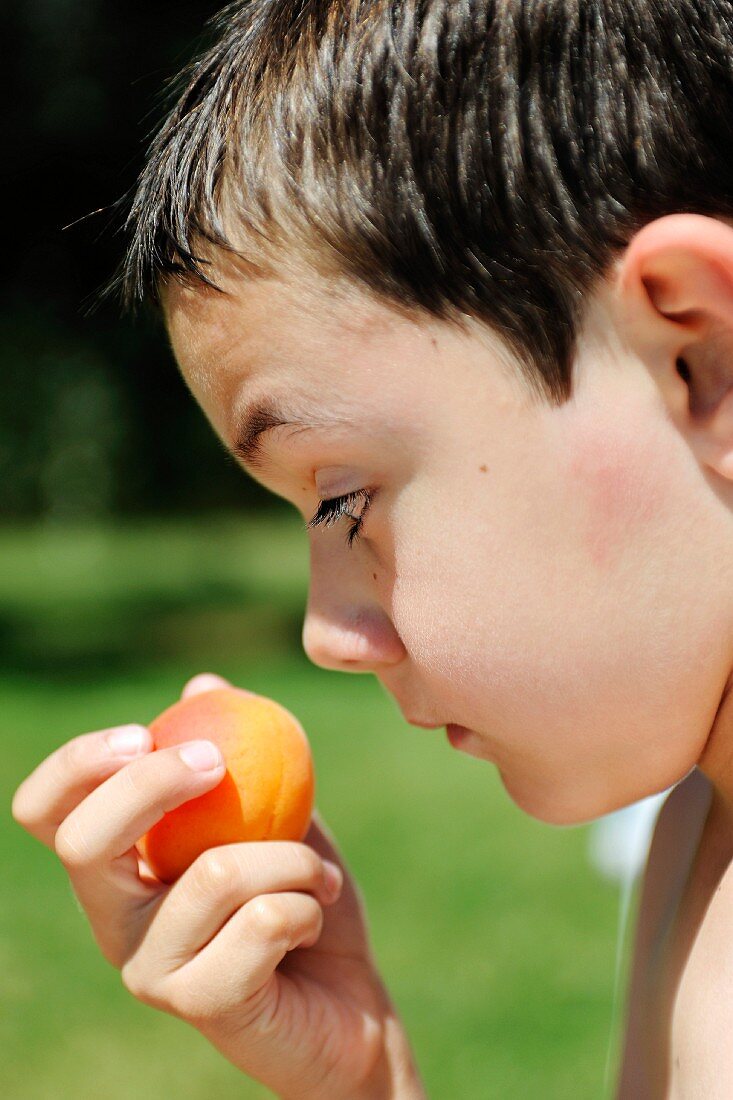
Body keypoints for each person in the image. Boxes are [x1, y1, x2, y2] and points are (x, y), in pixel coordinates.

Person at [11, 1, 733, 1095]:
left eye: (344, 499)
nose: (327, 634)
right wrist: (362, 1081)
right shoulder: (696, 834)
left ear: (701, 360)